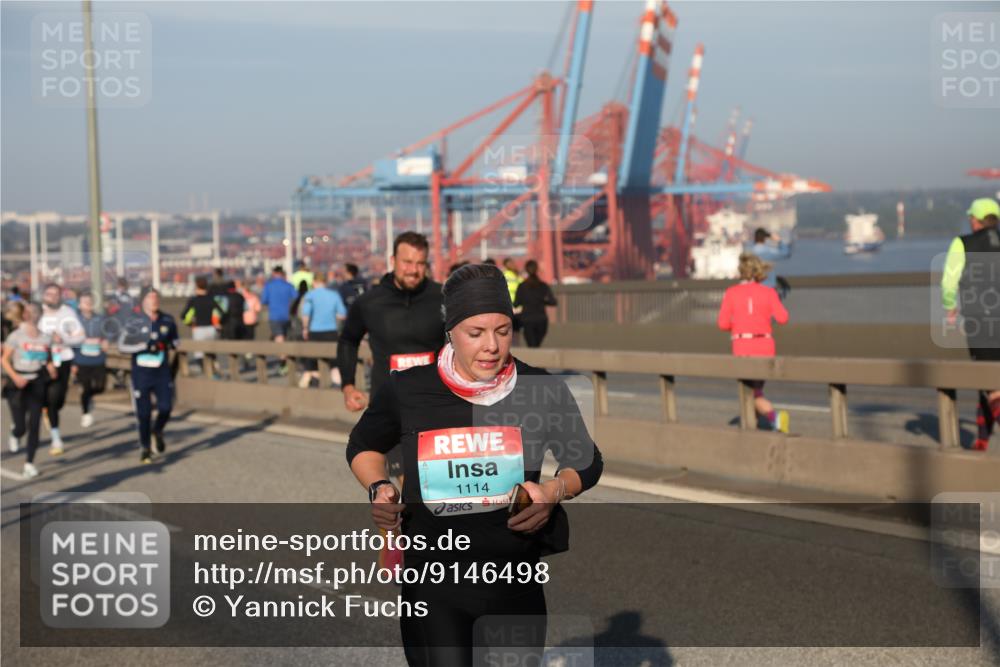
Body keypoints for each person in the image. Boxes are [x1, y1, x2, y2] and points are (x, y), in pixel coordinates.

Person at [346, 263, 603, 666]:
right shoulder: (409, 389)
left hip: (513, 580)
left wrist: (552, 492)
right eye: (476, 333)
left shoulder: (541, 389)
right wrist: (379, 487)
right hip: (433, 581)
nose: (492, 346)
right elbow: (363, 446)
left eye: (503, 331)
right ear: (451, 331)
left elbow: (586, 461)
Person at [942, 197, 1000, 451]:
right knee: (988, 383)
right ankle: (981, 440)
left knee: (990, 383)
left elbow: (948, 282)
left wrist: (950, 306)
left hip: (981, 323)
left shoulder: (962, 244)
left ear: (975, 220)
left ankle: (981, 440)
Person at [717, 253, 791, 433]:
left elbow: (722, 324)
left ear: (741, 271)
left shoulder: (731, 292)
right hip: (765, 345)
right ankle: (754, 425)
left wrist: (739, 325)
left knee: (752, 392)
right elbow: (783, 318)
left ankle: (775, 418)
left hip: (743, 346)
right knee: (755, 388)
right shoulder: (769, 292)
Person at [118, 290, 178, 464]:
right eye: (150, 299)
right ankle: (145, 448)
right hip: (141, 374)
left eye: (156, 298)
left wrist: (169, 344)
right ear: (142, 301)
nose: (154, 302)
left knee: (166, 407)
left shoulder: (167, 320)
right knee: (143, 415)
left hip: (162, 372)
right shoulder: (134, 321)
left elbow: (176, 341)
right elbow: (122, 346)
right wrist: (141, 346)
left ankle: (157, 430)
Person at [2, 302, 57, 478]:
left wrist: (50, 367)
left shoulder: (45, 338)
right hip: (17, 383)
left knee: (34, 423)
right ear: (24, 315)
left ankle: (29, 463)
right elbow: (4, 360)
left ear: (40, 315)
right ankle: (15, 433)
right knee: (21, 427)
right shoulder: (16, 336)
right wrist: (16, 377)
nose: (33, 315)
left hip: (37, 382)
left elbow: (47, 358)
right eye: (30, 312)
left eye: (36, 312)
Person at [38, 282, 85, 455]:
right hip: (41, 362)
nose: (53, 297)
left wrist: (64, 340)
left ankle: (48, 411)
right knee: (46, 399)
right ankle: (56, 439)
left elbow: (80, 336)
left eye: (56, 294)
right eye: (49, 294)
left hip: (63, 359)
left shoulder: (68, 313)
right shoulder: (37, 313)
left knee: (57, 400)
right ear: (44, 295)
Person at [299, 272, 347, 388]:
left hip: (315, 332)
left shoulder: (310, 295)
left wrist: (305, 328)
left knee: (314, 362)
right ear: (325, 282)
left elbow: (306, 314)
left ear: (314, 282)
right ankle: (337, 385)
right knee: (334, 363)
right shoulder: (334, 295)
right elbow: (342, 315)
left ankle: (316, 386)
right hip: (331, 331)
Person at [73, 292, 109, 428]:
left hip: (98, 358)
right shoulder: (75, 320)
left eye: (90, 301)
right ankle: (86, 413)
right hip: (81, 360)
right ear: (79, 305)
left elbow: (108, 333)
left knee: (100, 387)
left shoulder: (101, 319)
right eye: (85, 301)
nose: (88, 303)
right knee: (86, 386)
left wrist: (105, 341)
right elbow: (69, 342)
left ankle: (88, 397)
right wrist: (72, 363)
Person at [182, 276, 224, 375]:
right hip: (211, 328)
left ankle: (205, 371)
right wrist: (218, 323)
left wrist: (190, 324)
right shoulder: (211, 299)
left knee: (199, 354)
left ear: (196, 286)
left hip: (199, 329)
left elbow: (183, 315)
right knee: (211, 351)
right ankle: (214, 371)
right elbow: (222, 312)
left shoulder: (194, 300)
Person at [514, 260, 558, 348]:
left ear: (526, 270)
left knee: (531, 347)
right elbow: (553, 302)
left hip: (527, 319)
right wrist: (542, 301)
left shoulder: (522, 286)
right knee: (537, 346)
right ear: (537, 269)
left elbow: (516, 303)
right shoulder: (543, 286)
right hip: (541, 320)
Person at [261, 265, 297, 347]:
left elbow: (264, 301)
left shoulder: (269, 286)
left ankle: (282, 356)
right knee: (285, 336)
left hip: (274, 316)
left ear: (274, 273)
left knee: (279, 336)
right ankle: (284, 355)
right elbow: (296, 298)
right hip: (287, 316)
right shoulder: (289, 286)